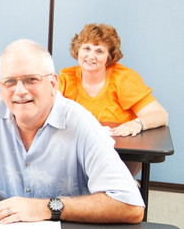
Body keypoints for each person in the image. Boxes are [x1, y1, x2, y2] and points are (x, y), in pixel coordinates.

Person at [0, 39, 144, 229]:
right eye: (9, 82)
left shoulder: (80, 122)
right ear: (0, 87)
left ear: (53, 84)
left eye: (31, 80)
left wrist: (46, 208)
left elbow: (130, 205)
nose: (19, 91)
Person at [58, 23, 168, 176]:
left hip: (120, 156)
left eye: (99, 51)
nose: (91, 56)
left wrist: (137, 123)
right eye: (87, 48)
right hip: (80, 151)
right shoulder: (66, 78)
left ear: (109, 57)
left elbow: (160, 114)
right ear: (77, 50)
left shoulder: (123, 78)